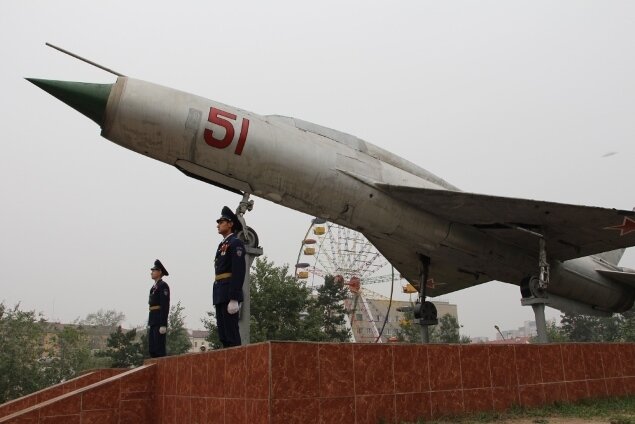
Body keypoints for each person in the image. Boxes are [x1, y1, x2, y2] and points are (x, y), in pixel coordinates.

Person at [213, 206, 246, 347]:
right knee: (224, 335)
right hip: (220, 292)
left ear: (231, 224)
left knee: (231, 334)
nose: (218, 225)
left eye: (222, 222)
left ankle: (237, 367)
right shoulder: (222, 245)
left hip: (228, 293)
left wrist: (234, 297)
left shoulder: (235, 243)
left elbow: (238, 271)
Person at [148, 259, 170, 357]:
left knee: (159, 348)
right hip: (153, 319)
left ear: (160, 272)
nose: (151, 272)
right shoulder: (153, 287)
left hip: (159, 320)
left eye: (154, 270)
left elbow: (165, 305)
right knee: (152, 348)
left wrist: (163, 324)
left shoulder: (163, 286)